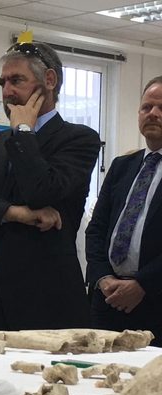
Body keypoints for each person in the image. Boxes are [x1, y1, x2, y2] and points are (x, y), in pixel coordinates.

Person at [0, 42, 101, 331]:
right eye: (3, 82)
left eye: (17, 80)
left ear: (49, 80)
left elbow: (41, 191)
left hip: (43, 302)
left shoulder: (78, 140)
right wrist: (12, 212)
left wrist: (23, 131)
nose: (7, 90)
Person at [85, 76, 162, 346]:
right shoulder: (122, 166)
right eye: (146, 107)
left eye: (161, 108)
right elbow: (96, 230)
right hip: (107, 300)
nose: (153, 114)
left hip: (155, 302)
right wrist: (102, 277)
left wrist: (142, 284)